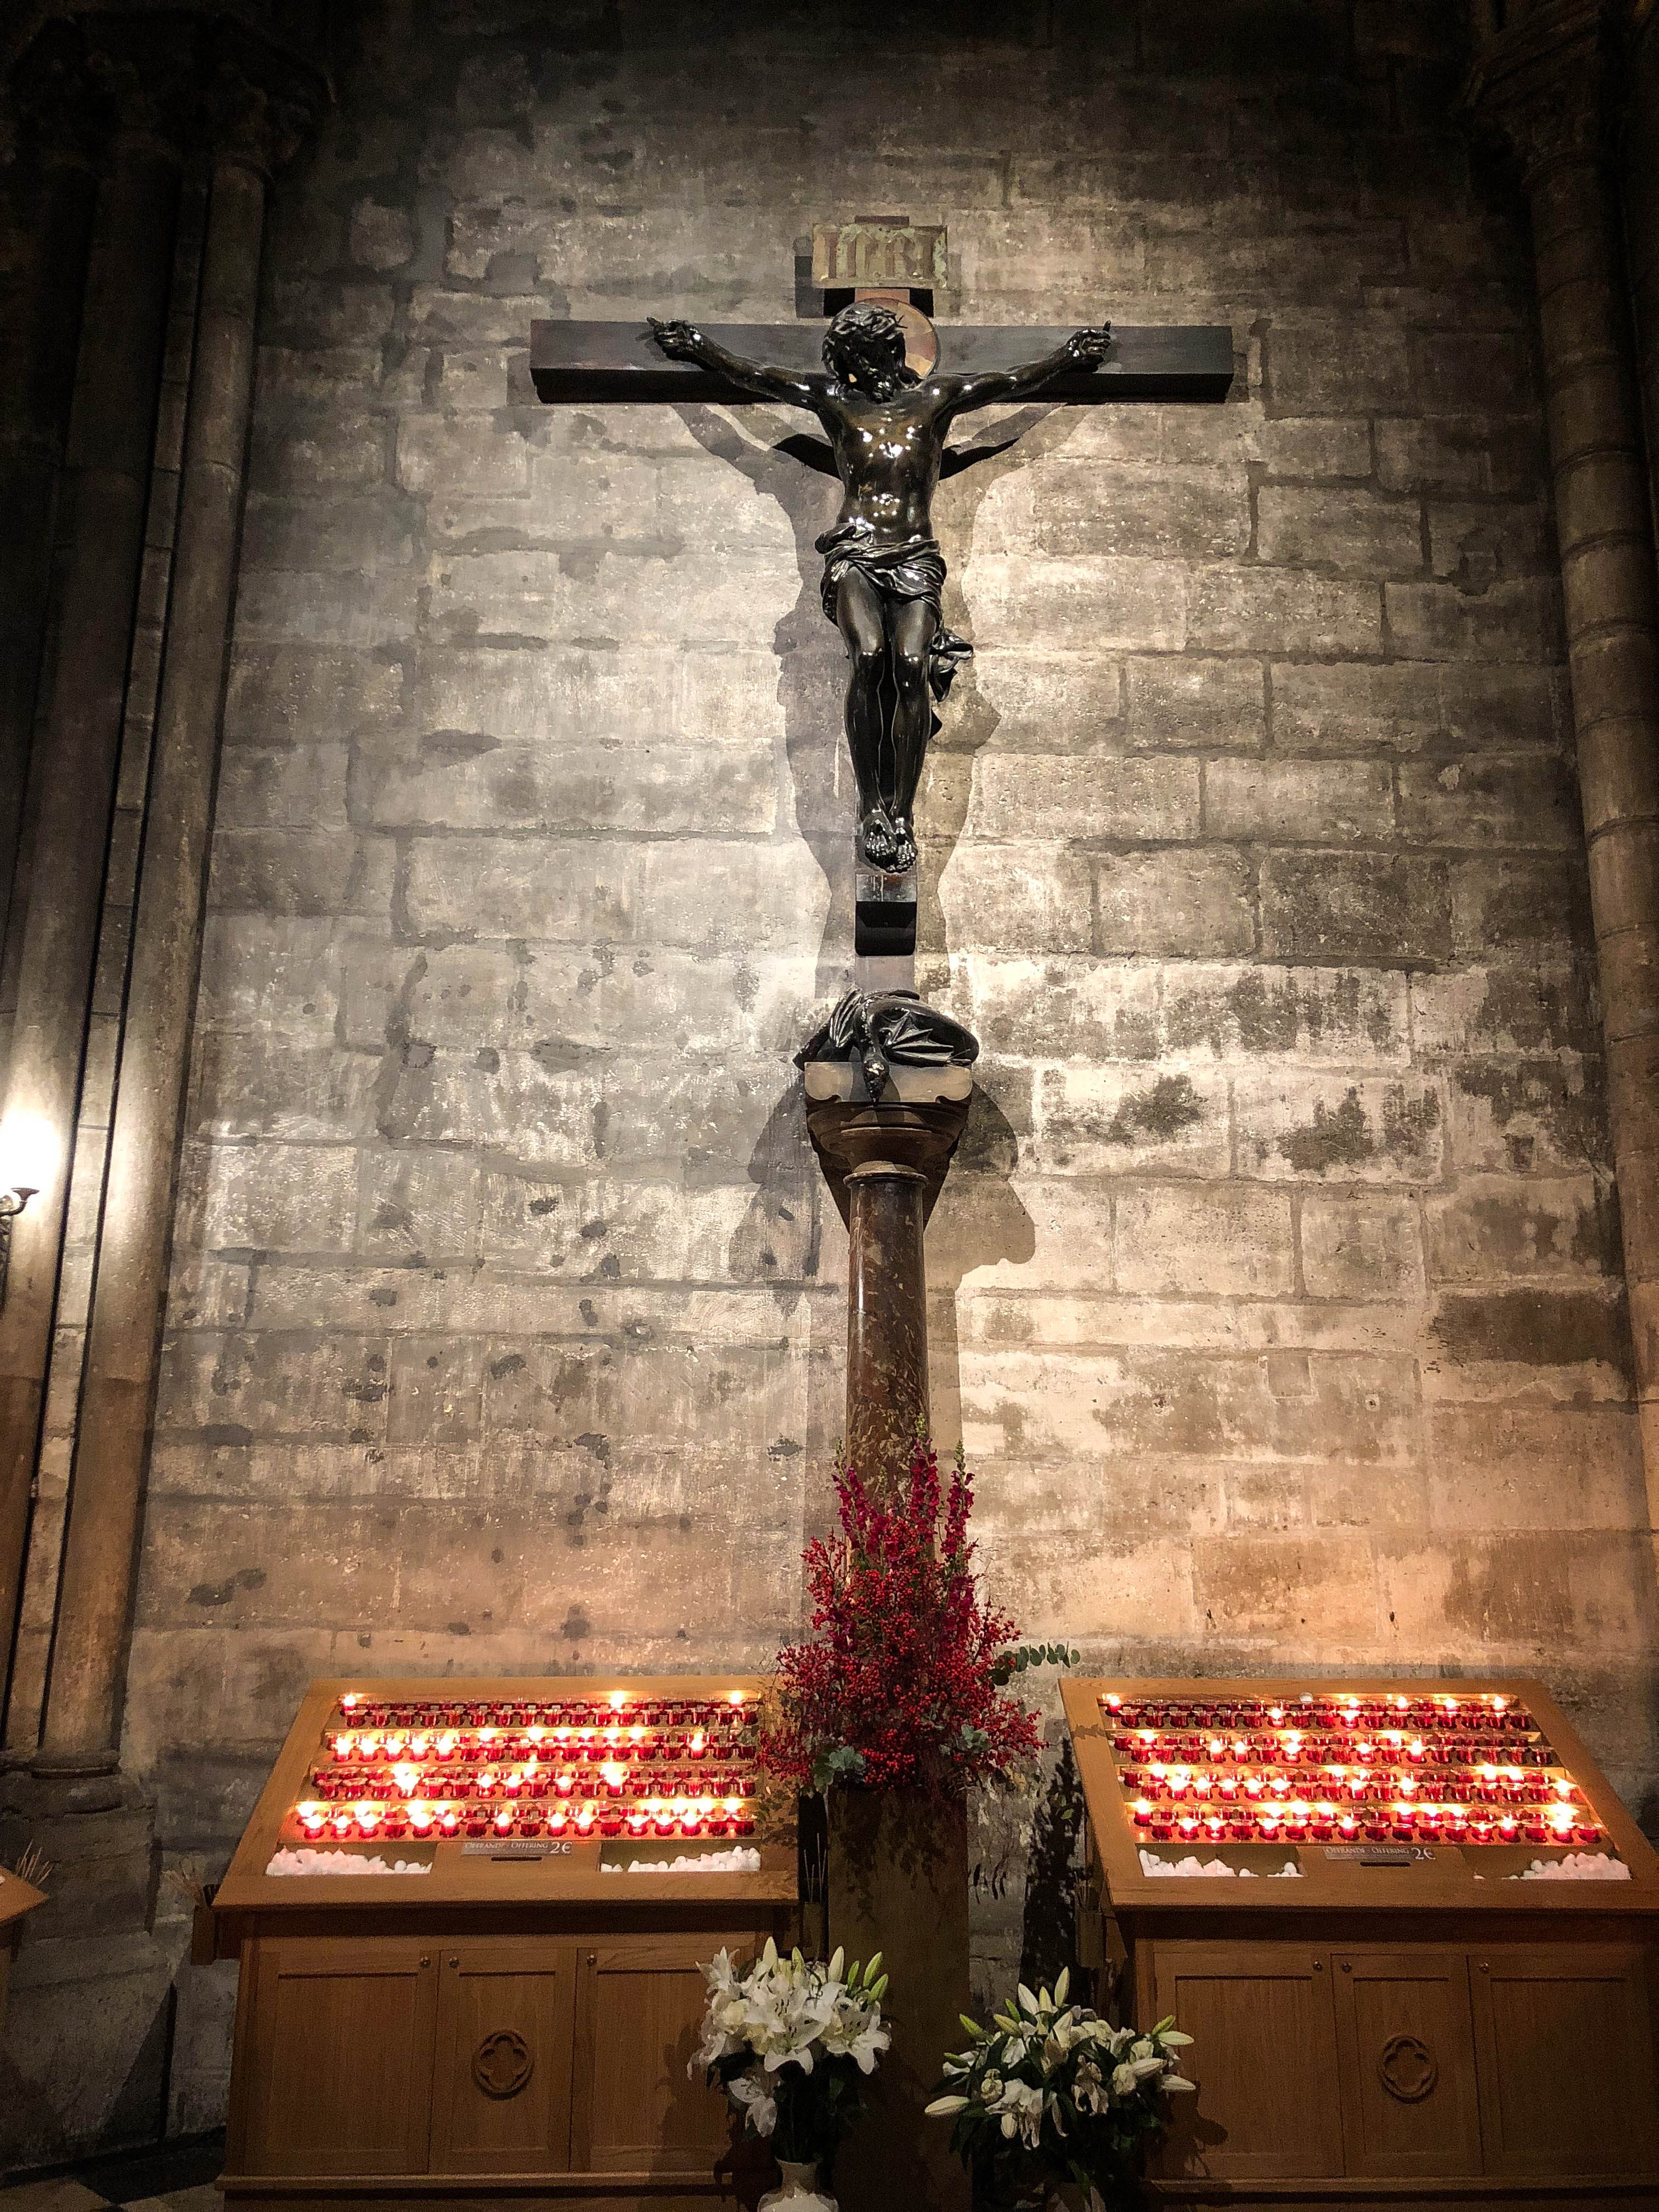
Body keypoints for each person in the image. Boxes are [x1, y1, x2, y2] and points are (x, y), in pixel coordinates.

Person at [649, 302, 1113, 874]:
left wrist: (1068, 357)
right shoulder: (838, 403)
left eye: (865, 359)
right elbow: (760, 379)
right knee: (870, 657)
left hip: (916, 555)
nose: (858, 372)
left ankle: (903, 812)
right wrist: (699, 347)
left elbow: (1011, 383)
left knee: (912, 661)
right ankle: (872, 808)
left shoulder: (935, 400)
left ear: (891, 352)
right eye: (850, 362)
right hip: (856, 555)